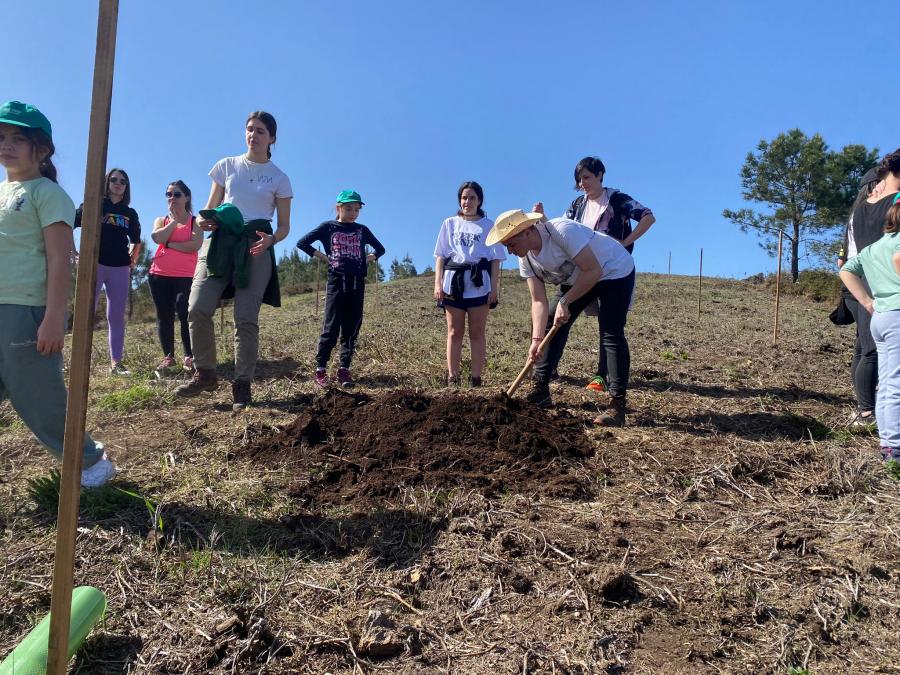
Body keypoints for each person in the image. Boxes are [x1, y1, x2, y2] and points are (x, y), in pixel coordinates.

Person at [0, 100, 115, 487]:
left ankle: (89, 463)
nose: (7, 145)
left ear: (42, 149)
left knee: (39, 398)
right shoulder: (2, 192)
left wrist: (54, 317)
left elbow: (59, 259)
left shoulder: (47, 194)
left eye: (18, 138)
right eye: (2, 137)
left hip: (25, 314)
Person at [175, 111, 292, 410]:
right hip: (220, 244)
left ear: (272, 139)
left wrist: (271, 240)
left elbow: (283, 226)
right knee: (197, 307)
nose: (253, 135)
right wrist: (204, 221)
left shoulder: (279, 178)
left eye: (261, 131)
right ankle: (205, 373)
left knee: (245, 318)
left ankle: (242, 385)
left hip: (255, 245)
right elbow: (207, 209)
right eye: (250, 129)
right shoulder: (226, 166)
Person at [486, 209, 635, 425]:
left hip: (613, 271)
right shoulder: (526, 259)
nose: (509, 251)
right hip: (579, 277)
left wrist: (566, 302)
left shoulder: (562, 231)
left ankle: (617, 406)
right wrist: (536, 341)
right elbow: (538, 301)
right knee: (551, 320)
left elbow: (593, 271)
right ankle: (540, 390)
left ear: (527, 231)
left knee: (610, 332)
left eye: (511, 244)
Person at [536, 156, 655, 390]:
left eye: (587, 177)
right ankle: (547, 373)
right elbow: (560, 233)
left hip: (613, 272)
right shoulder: (576, 206)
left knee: (609, 326)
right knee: (556, 315)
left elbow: (648, 217)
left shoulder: (618, 200)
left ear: (600, 175)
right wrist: (543, 219)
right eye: (579, 180)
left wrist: (625, 242)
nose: (583, 183)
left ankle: (602, 376)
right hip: (582, 272)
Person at [297, 190, 385, 388]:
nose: (353, 213)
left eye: (356, 209)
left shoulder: (362, 230)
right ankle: (320, 370)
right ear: (338, 208)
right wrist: (325, 258)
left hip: (357, 283)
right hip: (336, 282)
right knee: (331, 326)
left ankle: (344, 369)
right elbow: (302, 243)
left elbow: (380, 249)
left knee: (352, 326)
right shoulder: (328, 227)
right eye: (348, 208)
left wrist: (367, 259)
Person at [838, 152, 900, 428]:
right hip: (881, 288)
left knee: (866, 348)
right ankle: (866, 413)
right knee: (873, 354)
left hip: (863, 284)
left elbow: (844, 261)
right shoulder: (890, 205)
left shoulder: (859, 210)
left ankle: (869, 412)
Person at [433, 181, 505, 386]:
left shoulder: (489, 226)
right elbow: (440, 256)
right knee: (454, 332)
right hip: (453, 282)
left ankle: (476, 378)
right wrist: (437, 284)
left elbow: (495, 259)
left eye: (472, 197)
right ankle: (452, 377)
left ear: (479, 200)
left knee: (477, 331)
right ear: (460, 200)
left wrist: (493, 289)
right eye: (464, 197)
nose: (467, 201)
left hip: (479, 284)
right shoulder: (449, 223)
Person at [74, 167, 141, 375]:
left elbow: (136, 240)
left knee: (116, 316)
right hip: (95, 264)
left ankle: (116, 363)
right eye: (114, 179)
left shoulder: (129, 213)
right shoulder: (93, 204)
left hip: (120, 267)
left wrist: (133, 259)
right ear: (107, 182)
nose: (118, 183)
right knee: (86, 311)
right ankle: (77, 360)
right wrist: (73, 251)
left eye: (123, 181)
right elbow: (69, 223)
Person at [148, 180, 202, 374]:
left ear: (186, 197)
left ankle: (189, 356)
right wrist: (173, 223)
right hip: (159, 274)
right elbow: (157, 238)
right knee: (164, 315)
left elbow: (194, 245)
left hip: (185, 276)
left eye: (177, 194)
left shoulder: (195, 221)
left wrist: (169, 245)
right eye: (169, 194)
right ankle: (168, 357)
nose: (172, 198)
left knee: (184, 311)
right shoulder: (161, 220)